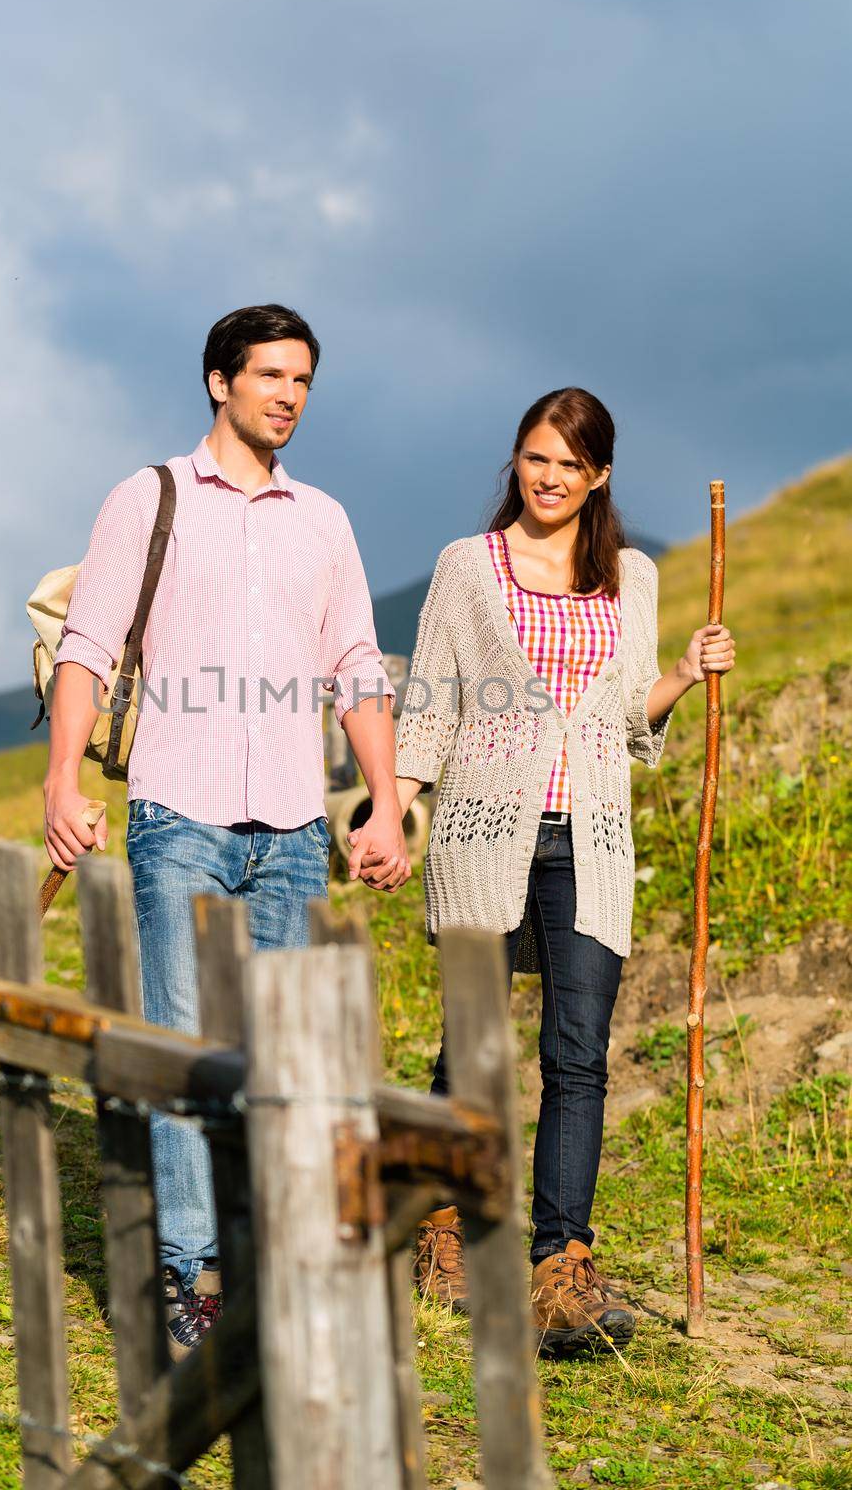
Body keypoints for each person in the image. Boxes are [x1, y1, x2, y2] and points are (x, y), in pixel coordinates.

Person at [43, 304, 410, 1359]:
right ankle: (191, 1288)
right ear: (218, 381)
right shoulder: (148, 497)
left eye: (302, 380)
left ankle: (263, 1271)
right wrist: (61, 782)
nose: (287, 395)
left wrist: (379, 805)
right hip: (180, 816)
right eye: (268, 376)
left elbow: (354, 664)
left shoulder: (323, 520)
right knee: (185, 1056)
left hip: (294, 827)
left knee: (276, 1063)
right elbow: (89, 648)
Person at [386, 387, 735, 1355]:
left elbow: (629, 714)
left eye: (567, 465)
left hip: (591, 837)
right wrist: (394, 803)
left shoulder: (630, 573)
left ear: (598, 476)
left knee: (576, 1052)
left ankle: (560, 1264)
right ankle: (442, 1226)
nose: (547, 478)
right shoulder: (468, 566)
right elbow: (430, 703)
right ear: (517, 462)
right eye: (534, 459)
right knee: (472, 1043)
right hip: (481, 827)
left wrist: (684, 674)